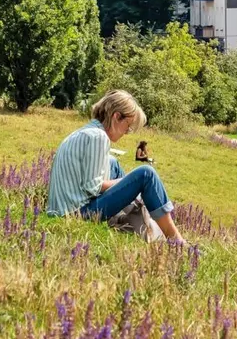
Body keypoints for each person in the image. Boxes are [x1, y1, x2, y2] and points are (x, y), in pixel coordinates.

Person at [45, 91, 182, 242]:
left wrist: (129, 184)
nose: (126, 132)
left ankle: (139, 218)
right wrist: (130, 182)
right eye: (128, 126)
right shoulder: (99, 137)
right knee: (146, 174)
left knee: (112, 163)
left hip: (61, 211)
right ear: (116, 116)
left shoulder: (85, 132)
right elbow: (93, 187)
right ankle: (176, 240)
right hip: (76, 215)